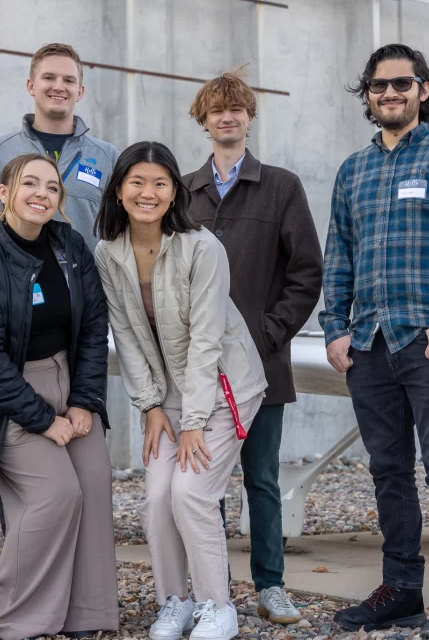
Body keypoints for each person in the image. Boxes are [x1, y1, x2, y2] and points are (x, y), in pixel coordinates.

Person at [319, 44, 429, 640]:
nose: (389, 94)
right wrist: (335, 329)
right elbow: (338, 254)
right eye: (378, 86)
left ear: (423, 89)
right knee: (388, 470)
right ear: (367, 96)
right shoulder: (353, 171)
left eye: (401, 83)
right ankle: (400, 587)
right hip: (368, 344)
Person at [94, 142, 268, 640]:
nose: (148, 193)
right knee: (156, 498)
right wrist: (150, 405)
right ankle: (175, 601)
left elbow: (208, 339)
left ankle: (220, 606)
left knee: (191, 494)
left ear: (175, 192)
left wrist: (193, 421)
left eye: (160, 183)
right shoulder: (109, 252)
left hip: (224, 386)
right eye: (137, 182)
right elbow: (124, 335)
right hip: (167, 391)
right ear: (120, 189)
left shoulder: (202, 246)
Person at [0, 153, 117, 640]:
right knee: (56, 494)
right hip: (8, 397)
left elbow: (92, 328)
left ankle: (83, 614)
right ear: (4, 193)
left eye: (51, 187)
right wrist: (45, 420)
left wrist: (85, 401)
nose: (41, 194)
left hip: (70, 382)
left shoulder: (70, 247)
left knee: (95, 481)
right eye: (30, 184)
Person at [182, 69, 323, 625]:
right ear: (204, 119)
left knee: (261, 479)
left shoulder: (282, 186)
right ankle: (211, 591)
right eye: (217, 109)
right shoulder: (183, 191)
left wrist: (269, 331)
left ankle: (270, 585)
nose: (227, 116)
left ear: (249, 117)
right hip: (197, 371)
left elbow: (307, 272)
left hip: (261, 367)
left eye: (237, 108)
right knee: (202, 485)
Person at [0, 42, 119, 250]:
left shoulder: (107, 157)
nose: (58, 86)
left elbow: (119, 231)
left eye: (69, 80)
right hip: (13, 281)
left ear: (80, 91)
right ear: (31, 86)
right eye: (48, 77)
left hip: (84, 280)